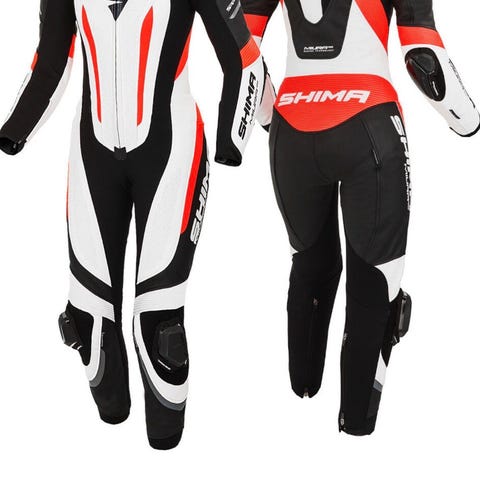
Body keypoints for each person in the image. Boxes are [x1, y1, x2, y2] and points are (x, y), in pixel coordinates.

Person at [0, 0, 267, 449]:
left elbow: (243, 58)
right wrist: (12, 130)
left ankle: (166, 447)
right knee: (88, 320)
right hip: (93, 153)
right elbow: (50, 60)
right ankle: (111, 435)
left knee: (158, 326)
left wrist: (234, 138)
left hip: (172, 150)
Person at [240, 0, 479, 435]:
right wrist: (469, 122)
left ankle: (302, 388)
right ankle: (355, 422)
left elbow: (240, 40)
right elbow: (422, 53)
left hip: (292, 129)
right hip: (368, 122)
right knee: (374, 283)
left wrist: (272, 116)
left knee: (311, 262)